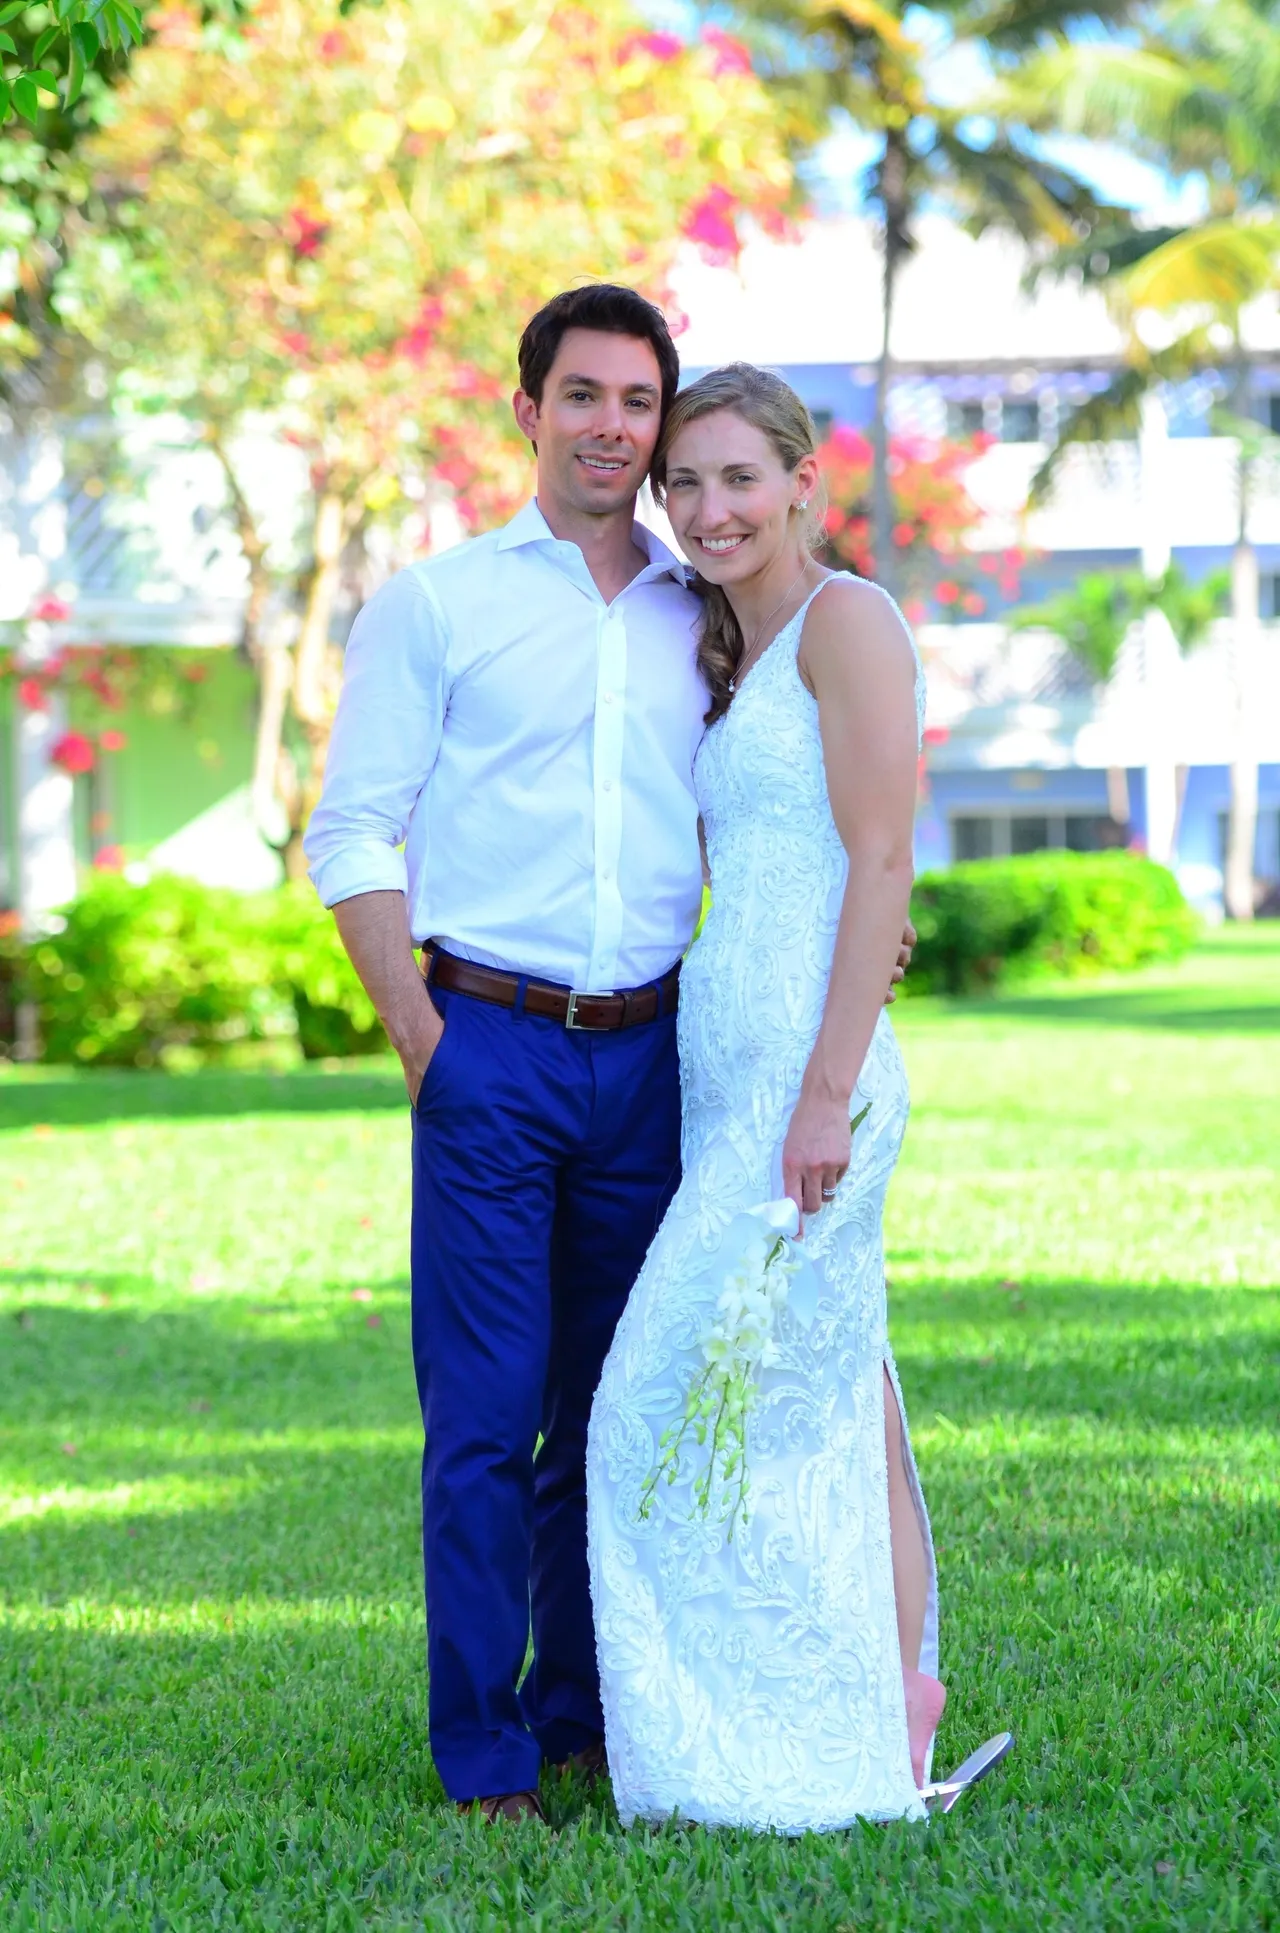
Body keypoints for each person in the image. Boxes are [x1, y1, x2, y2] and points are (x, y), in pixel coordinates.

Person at [304, 289, 913, 1826]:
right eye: (583, 397)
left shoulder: (697, 606)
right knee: (488, 1422)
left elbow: (830, 818)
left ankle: (587, 1722)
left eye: (638, 405)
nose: (614, 430)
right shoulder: (434, 604)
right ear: (528, 412)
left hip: (661, 1067)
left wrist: (862, 945)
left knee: (614, 1406)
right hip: (489, 1048)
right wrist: (424, 1041)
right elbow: (350, 832)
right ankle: (487, 1756)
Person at [587, 363, 945, 1832]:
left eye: (740, 477)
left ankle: (821, 1718)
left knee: (645, 1410)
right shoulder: (735, 645)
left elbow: (879, 861)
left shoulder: (850, 621)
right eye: (686, 482)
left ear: (804, 480)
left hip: (812, 1091)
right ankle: (893, 1697)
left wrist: (827, 1091)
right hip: (733, 1083)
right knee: (833, 1392)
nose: (709, 507)